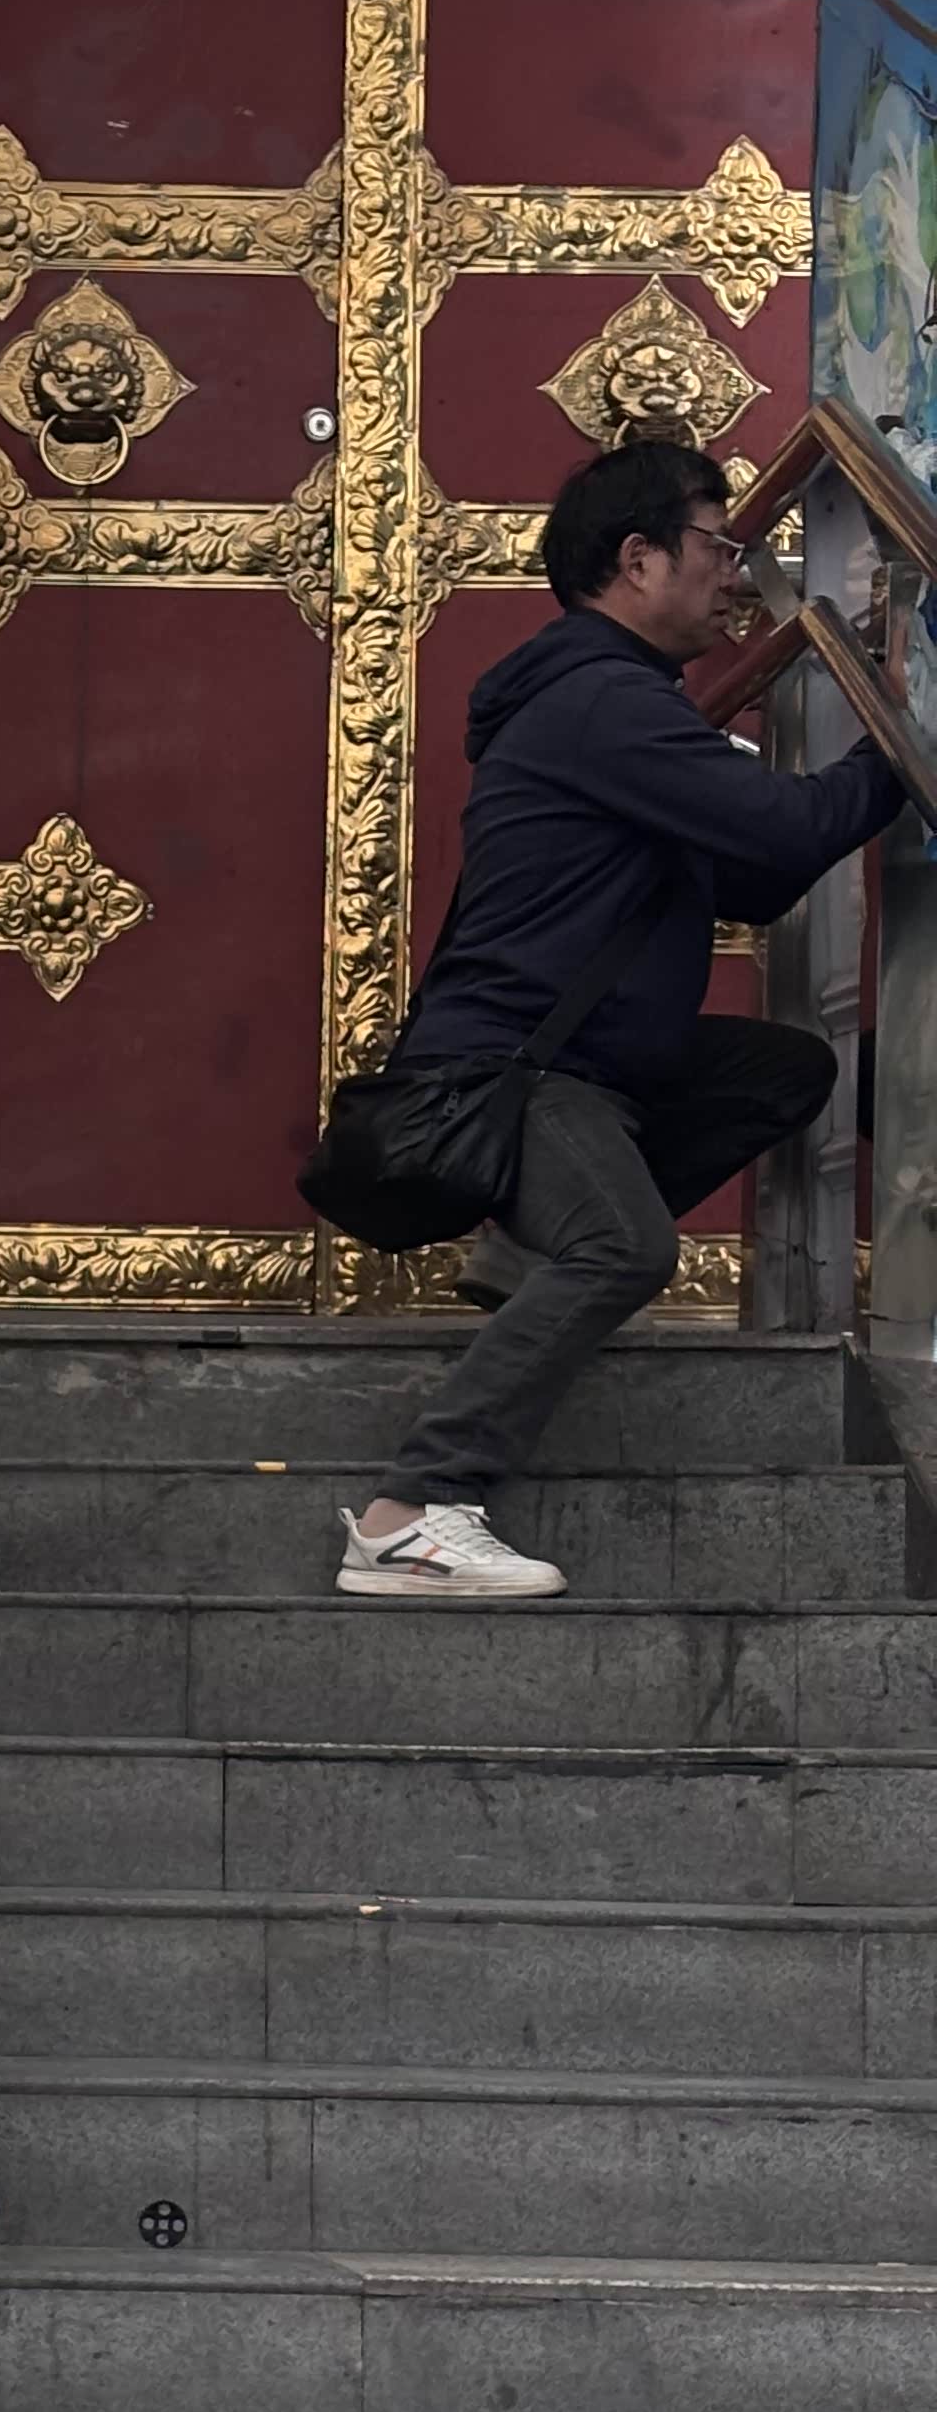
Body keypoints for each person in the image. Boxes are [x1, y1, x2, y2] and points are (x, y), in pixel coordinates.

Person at [339, 434, 905, 1602]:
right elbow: (791, 830)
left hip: (593, 1070)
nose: (734, 573)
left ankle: (524, 1249)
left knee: (781, 1069)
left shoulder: (620, 705)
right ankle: (413, 1512)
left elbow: (757, 875)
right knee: (627, 1246)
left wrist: (822, 779)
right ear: (639, 560)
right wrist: (904, 738)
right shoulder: (601, 701)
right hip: (518, 1072)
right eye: (717, 546)